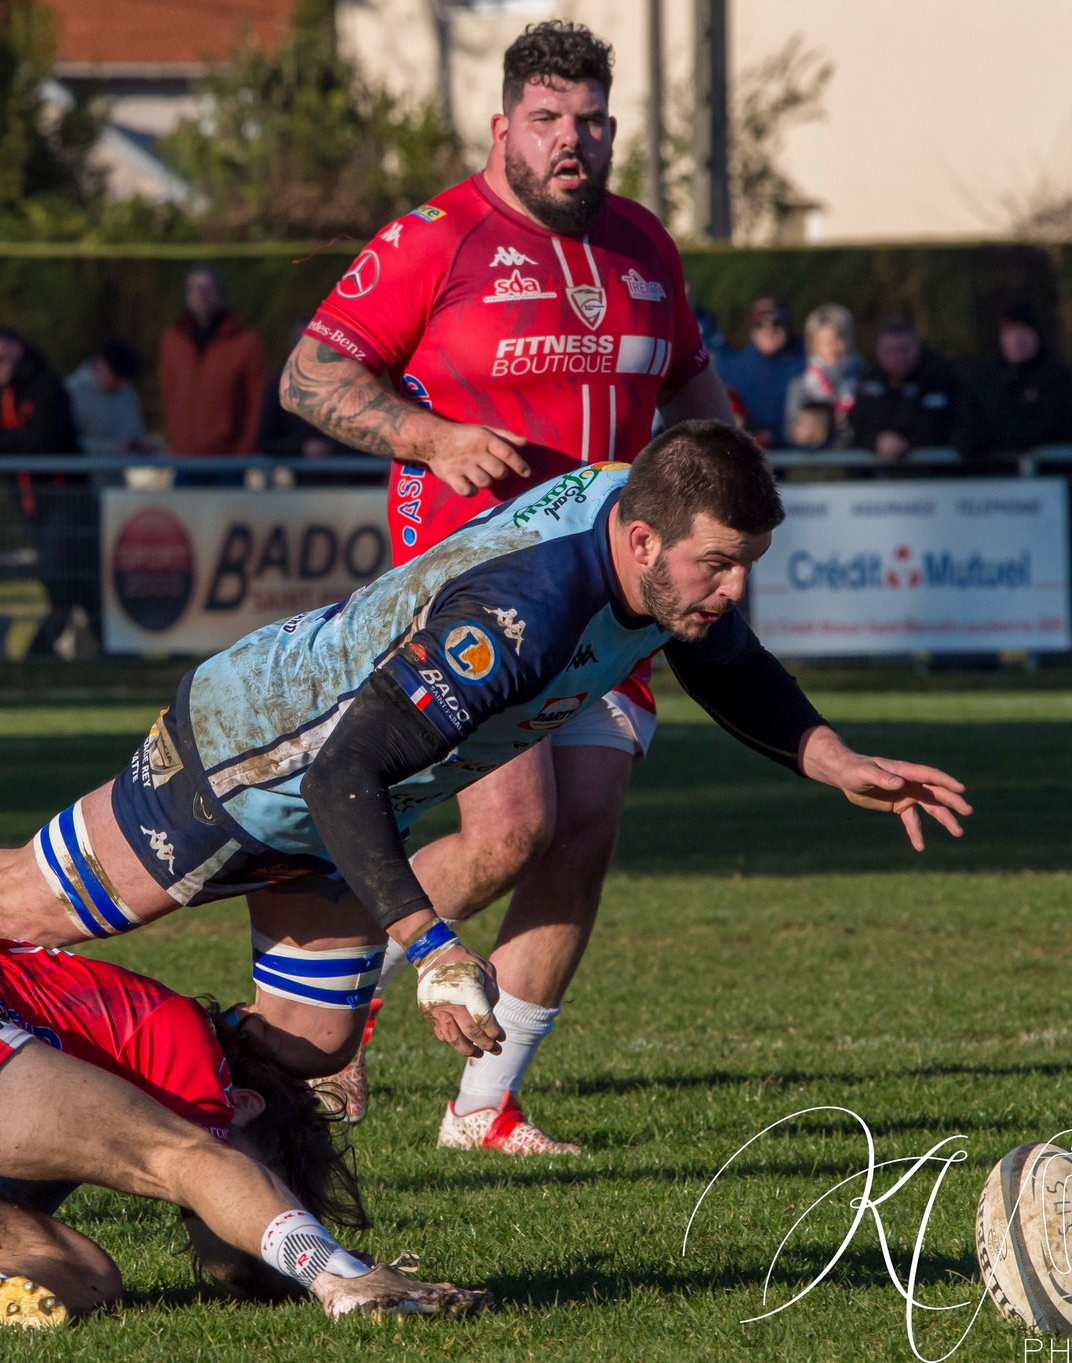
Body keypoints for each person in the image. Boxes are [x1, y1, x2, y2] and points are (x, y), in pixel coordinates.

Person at [0, 428, 971, 1117]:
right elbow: (345, 774)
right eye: (718, 565)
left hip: (337, 796)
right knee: (8, 899)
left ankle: (164, 1179)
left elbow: (725, 655)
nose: (732, 592)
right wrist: (432, 943)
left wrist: (826, 750)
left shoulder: (655, 533)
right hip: (244, 758)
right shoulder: (524, 613)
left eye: (743, 567)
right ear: (643, 533)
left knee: (309, 1048)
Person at [275, 19, 736, 1153]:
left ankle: (484, 1106)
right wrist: (426, 436)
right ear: (502, 128)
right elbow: (308, 373)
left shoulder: (642, 247)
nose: (570, 141)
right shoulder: (436, 236)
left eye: (588, 121)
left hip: (610, 602)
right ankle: (330, 993)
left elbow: (690, 387)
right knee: (507, 829)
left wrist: (727, 488)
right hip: (475, 588)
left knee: (581, 830)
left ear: (612, 130)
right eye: (546, 121)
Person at [0, 937, 489, 1328]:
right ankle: (348, 1283)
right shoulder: (186, 1045)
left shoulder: (96, 1062)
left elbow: (229, 1261)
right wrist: (320, 1259)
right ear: (251, 1103)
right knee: (186, 1156)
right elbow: (211, 1182)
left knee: (84, 1274)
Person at [0, 330, 89, 660]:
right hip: (31, 501)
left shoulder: (45, 386)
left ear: (16, 351)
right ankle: (59, 645)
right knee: (57, 577)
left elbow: (40, 438)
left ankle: (47, 647)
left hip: (62, 497)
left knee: (63, 576)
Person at [159, 265, 267, 465]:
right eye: (194, 289)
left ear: (219, 293)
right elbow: (169, 395)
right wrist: (174, 440)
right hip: (184, 458)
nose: (201, 295)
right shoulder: (173, 341)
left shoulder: (245, 342)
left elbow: (257, 399)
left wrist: (245, 450)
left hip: (228, 459)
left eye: (207, 288)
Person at [963, 301, 1072, 457]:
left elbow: (1053, 428)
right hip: (998, 476)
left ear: (1036, 334)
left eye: (1023, 330)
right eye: (1010, 331)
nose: (1017, 339)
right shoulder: (982, 378)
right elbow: (966, 429)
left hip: (1049, 475)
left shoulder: (1057, 376)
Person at [848, 316, 965, 461]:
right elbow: (856, 426)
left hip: (933, 473)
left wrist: (908, 443)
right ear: (878, 352)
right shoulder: (868, 380)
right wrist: (876, 441)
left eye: (904, 349)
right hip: (877, 476)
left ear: (917, 347)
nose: (897, 357)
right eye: (890, 350)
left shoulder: (940, 377)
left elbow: (948, 427)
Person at [714, 298, 803, 447]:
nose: (769, 329)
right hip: (742, 456)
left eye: (777, 321)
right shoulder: (727, 367)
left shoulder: (807, 365)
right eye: (759, 323)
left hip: (796, 457)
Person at [782, 303, 862, 450]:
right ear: (813, 344)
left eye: (838, 339)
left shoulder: (864, 379)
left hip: (854, 464)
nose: (832, 347)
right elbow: (790, 432)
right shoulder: (801, 385)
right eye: (825, 342)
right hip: (813, 464)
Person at [64, 340, 150, 456]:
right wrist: (111, 448)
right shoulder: (72, 391)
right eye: (118, 377)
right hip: (86, 472)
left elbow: (135, 432)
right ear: (101, 365)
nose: (122, 385)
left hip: (118, 472)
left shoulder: (127, 392)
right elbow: (66, 442)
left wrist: (142, 445)